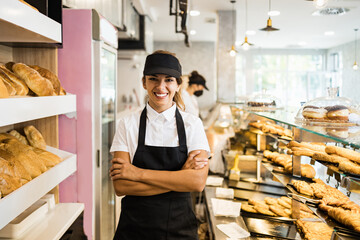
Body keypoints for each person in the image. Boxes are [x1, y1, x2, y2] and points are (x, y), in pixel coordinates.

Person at [109, 50, 210, 240]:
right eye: (154, 79)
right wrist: (180, 178)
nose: (161, 86)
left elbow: (197, 182)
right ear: (144, 82)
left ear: (178, 85)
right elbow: (121, 186)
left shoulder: (192, 125)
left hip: (180, 231)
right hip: (134, 231)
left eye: (169, 80)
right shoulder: (127, 124)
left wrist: (137, 173)